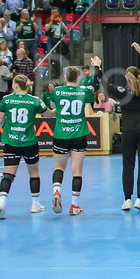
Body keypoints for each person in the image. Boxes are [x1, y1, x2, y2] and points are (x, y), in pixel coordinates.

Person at [103, 42, 140, 212]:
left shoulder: (122, 92)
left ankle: (127, 199)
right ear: (139, 77)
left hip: (129, 131)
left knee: (128, 165)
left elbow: (105, 84)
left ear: (126, 78)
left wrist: (97, 67)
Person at [44, 59, 99, 216]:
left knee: (59, 167)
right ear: (78, 77)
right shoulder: (83, 91)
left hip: (61, 134)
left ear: (65, 77)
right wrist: (97, 67)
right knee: (77, 172)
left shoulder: (57, 91)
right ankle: (74, 205)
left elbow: (57, 106)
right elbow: (95, 86)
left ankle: (57, 191)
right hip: (79, 134)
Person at [0, 74, 49, 219]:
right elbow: (49, 115)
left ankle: (2, 204)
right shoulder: (35, 100)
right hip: (29, 142)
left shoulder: (6, 100)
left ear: (16, 85)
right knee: (34, 173)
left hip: (11, 142)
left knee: (8, 174)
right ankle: (35, 204)